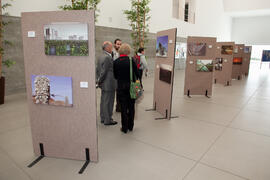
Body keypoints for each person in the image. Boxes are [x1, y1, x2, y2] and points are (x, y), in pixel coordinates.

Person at [113, 43, 139, 133]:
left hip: (121, 87)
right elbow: (137, 74)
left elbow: (115, 76)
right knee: (131, 106)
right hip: (132, 87)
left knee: (123, 107)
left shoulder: (115, 62)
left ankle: (124, 128)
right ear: (128, 51)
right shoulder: (132, 60)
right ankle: (131, 126)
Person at [96, 41, 117, 125]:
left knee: (103, 101)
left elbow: (98, 70)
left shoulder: (100, 56)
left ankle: (103, 118)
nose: (112, 49)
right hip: (109, 83)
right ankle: (108, 120)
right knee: (109, 102)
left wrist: (98, 81)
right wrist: (99, 81)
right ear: (107, 48)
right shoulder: (107, 57)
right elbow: (104, 72)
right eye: (111, 47)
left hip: (103, 83)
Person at [112, 39, 122, 112]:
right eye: (118, 44)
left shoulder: (120, 52)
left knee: (119, 92)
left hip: (119, 75)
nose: (119, 45)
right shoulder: (112, 52)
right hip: (113, 75)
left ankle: (118, 107)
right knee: (114, 92)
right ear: (114, 44)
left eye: (120, 44)